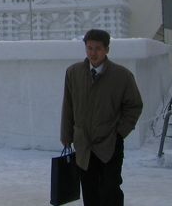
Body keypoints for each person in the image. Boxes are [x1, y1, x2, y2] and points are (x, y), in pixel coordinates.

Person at [61, 29, 143, 206]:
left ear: (107, 49)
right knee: (90, 191)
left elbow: (134, 105)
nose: (93, 53)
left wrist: (120, 132)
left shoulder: (122, 76)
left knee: (110, 190)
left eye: (97, 48)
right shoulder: (73, 73)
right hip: (84, 144)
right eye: (89, 48)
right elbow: (68, 106)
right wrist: (67, 136)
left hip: (110, 144)